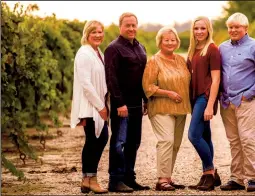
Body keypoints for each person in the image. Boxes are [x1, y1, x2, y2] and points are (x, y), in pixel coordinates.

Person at [218, 12, 255, 192]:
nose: (233, 30)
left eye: (237, 27)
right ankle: (236, 178)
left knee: (247, 139)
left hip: (246, 101)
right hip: (226, 102)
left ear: (245, 28)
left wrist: (249, 94)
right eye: (231, 27)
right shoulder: (222, 48)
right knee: (234, 141)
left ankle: (253, 179)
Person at [104, 12, 150, 193]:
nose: (131, 29)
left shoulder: (140, 47)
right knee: (118, 142)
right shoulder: (113, 49)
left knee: (134, 142)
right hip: (121, 105)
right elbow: (111, 78)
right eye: (127, 25)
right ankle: (115, 180)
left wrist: (145, 99)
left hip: (136, 104)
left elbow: (143, 78)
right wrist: (119, 103)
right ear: (120, 27)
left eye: (134, 25)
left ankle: (129, 179)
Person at [142, 26, 191, 191]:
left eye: (173, 40)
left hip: (181, 108)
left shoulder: (180, 60)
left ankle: (168, 178)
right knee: (166, 141)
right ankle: (161, 179)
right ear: (160, 42)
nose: (170, 43)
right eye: (166, 40)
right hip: (161, 107)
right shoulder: (154, 61)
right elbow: (148, 87)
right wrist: (168, 93)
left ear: (177, 42)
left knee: (176, 143)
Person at [70, 20, 109, 194]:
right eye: (94, 32)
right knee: (97, 140)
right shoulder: (84, 53)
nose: (98, 35)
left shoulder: (97, 51)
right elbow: (85, 83)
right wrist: (101, 106)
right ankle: (91, 179)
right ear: (87, 33)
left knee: (95, 140)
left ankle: (87, 179)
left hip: (97, 103)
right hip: (91, 105)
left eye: (100, 32)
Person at [186, 16, 221, 191]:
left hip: (205, 97)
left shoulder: (212, 49)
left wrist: (210, 105)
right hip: (194, 98)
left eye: (203, 28)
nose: (199, 32)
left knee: (193, 135)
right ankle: (208, 176)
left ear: (208, 30)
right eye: (196, 28)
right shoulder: (193, 49)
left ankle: (210, 172)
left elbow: (216, 80)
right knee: (205, 136)